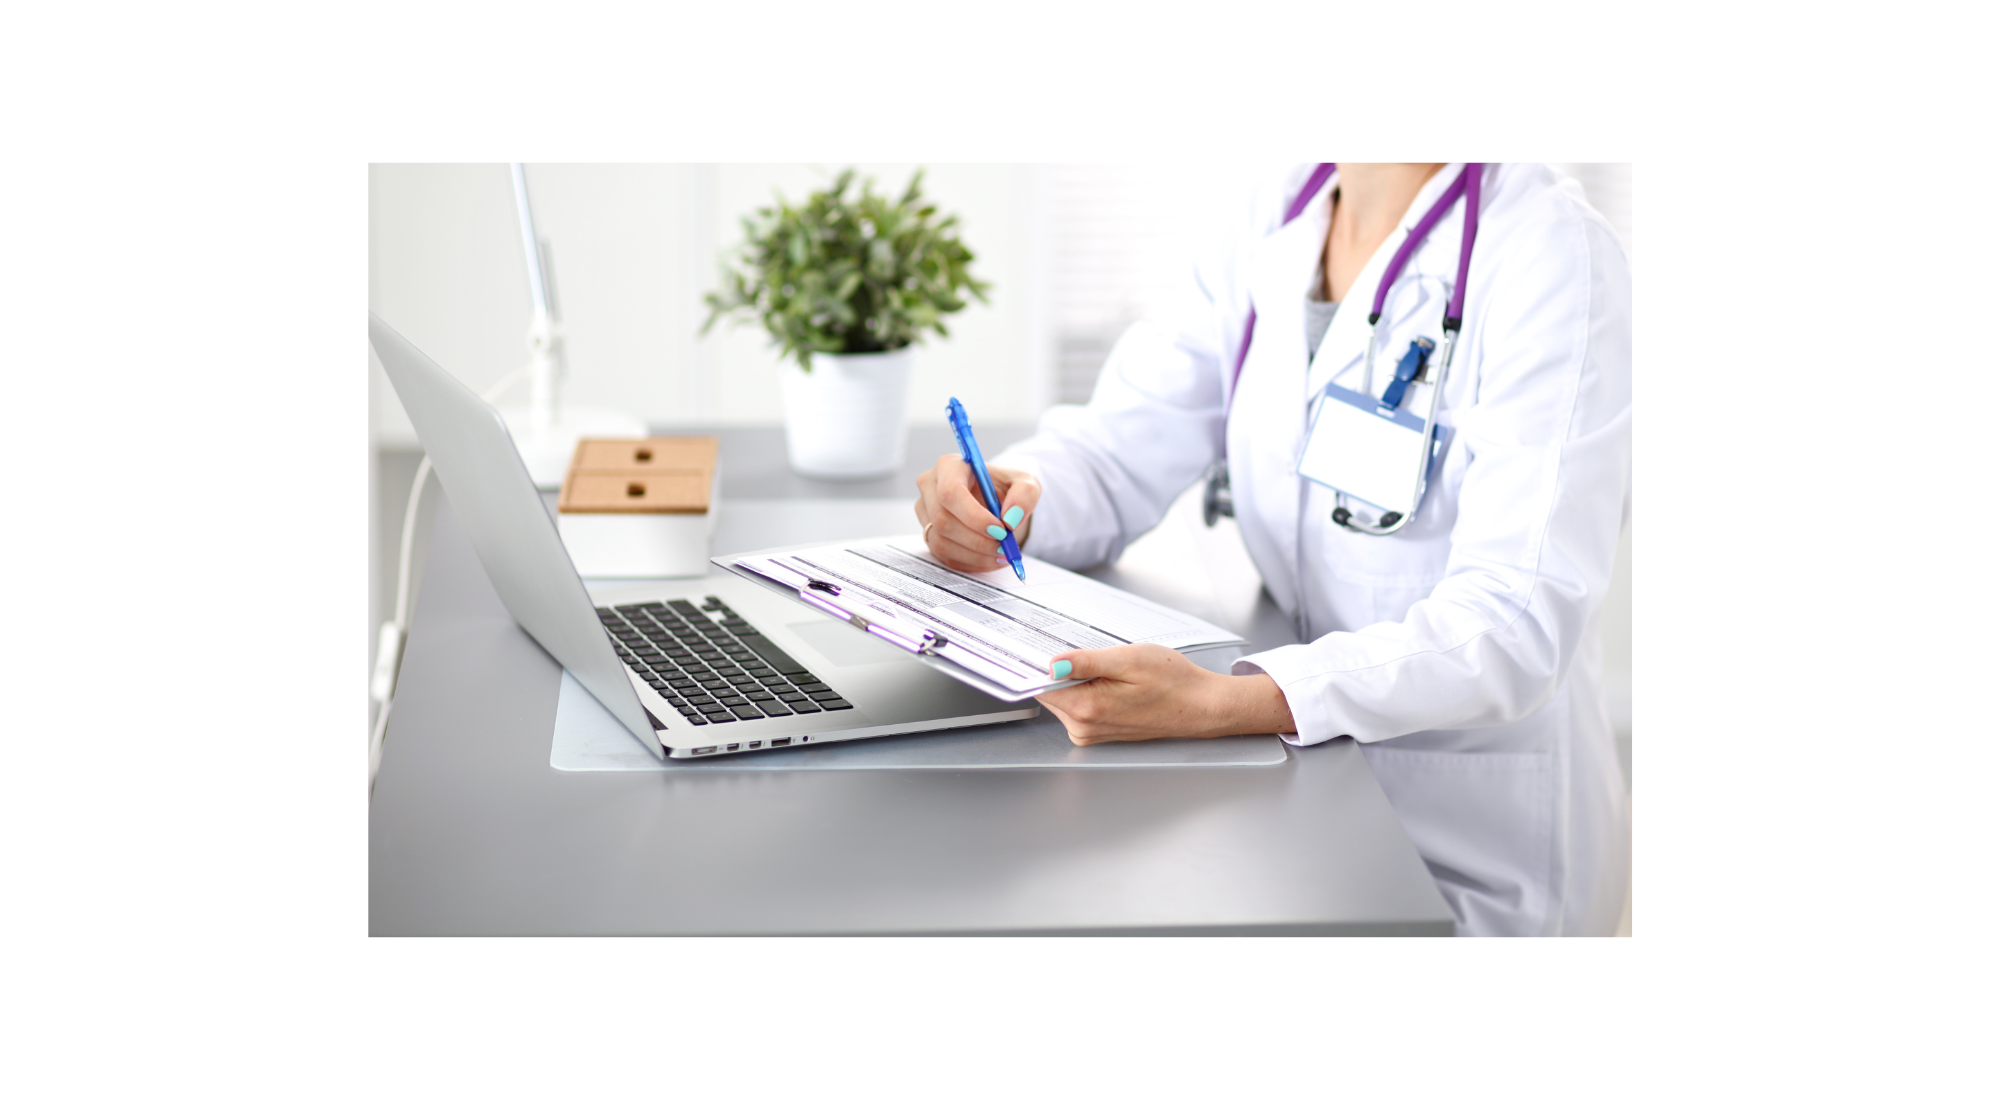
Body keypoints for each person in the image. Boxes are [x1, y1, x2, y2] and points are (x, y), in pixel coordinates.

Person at [913, 162, 1632, 937]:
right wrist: (1013, 501)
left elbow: (1515, 621)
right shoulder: (1274, 209)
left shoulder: (1550, 254)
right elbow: (1120, 446)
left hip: (1468, 840)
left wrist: (1228, 703)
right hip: (1302, 805)